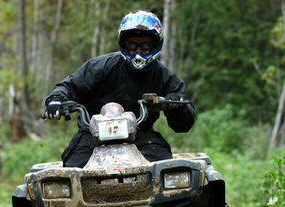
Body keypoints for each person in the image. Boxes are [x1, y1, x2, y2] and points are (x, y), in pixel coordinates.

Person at [44, 10, 195, 168]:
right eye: (132, 45)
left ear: (155, 45)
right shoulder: (100, 67)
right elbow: (69, 86)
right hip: (92, 135)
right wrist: (56, 100)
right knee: (72, 169)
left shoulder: (165, 77)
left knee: (165, 168)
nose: (138, 51)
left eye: (145, 46)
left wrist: (176, 106)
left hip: (141, 135)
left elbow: (184, 124)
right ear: (123, 44)